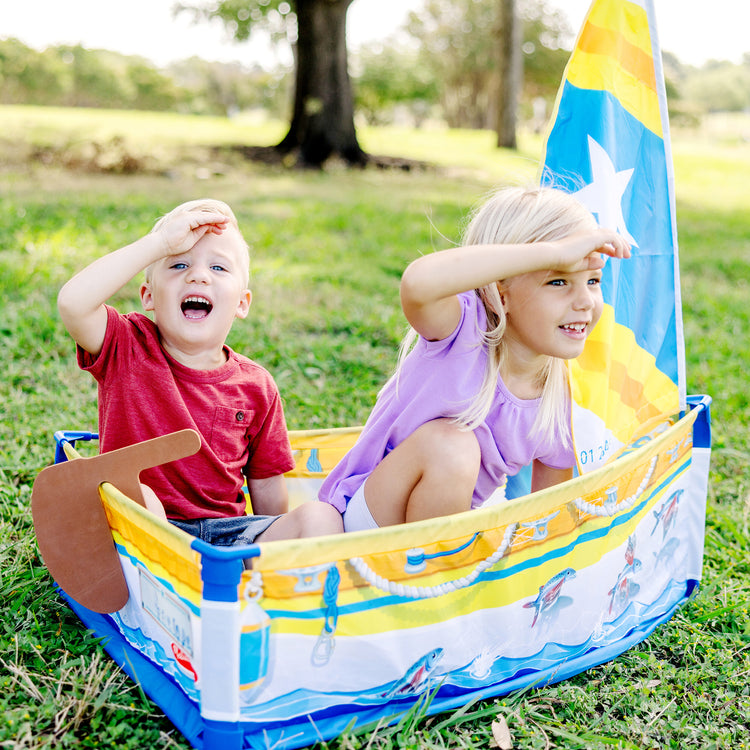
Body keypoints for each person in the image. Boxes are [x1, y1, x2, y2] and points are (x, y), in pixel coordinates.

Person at [319, 186, 631, 532]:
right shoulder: (463, 331)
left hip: (447, 540)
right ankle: (429, 576)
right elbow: (418, 283)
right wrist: (552, 252)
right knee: (453, 447)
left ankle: (442, 571)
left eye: (592, 280)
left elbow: (550, 515)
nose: (586, 300)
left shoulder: (562, 396)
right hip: (365, 522)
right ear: (501, 291)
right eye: (558, 280)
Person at [58, 198, 343, 546]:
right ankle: (182, 578)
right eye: (178, 264)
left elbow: (266, 483)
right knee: (139, 496)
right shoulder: (126, 345)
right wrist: (160, 243)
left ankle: (258, 582)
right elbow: (74, 303)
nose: (198, 275)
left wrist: (276, 540)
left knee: (320, 517)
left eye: (219, 268)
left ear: (241, 303)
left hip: (229, 537)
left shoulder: (256, 385)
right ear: (148, 295)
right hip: (145, 531)